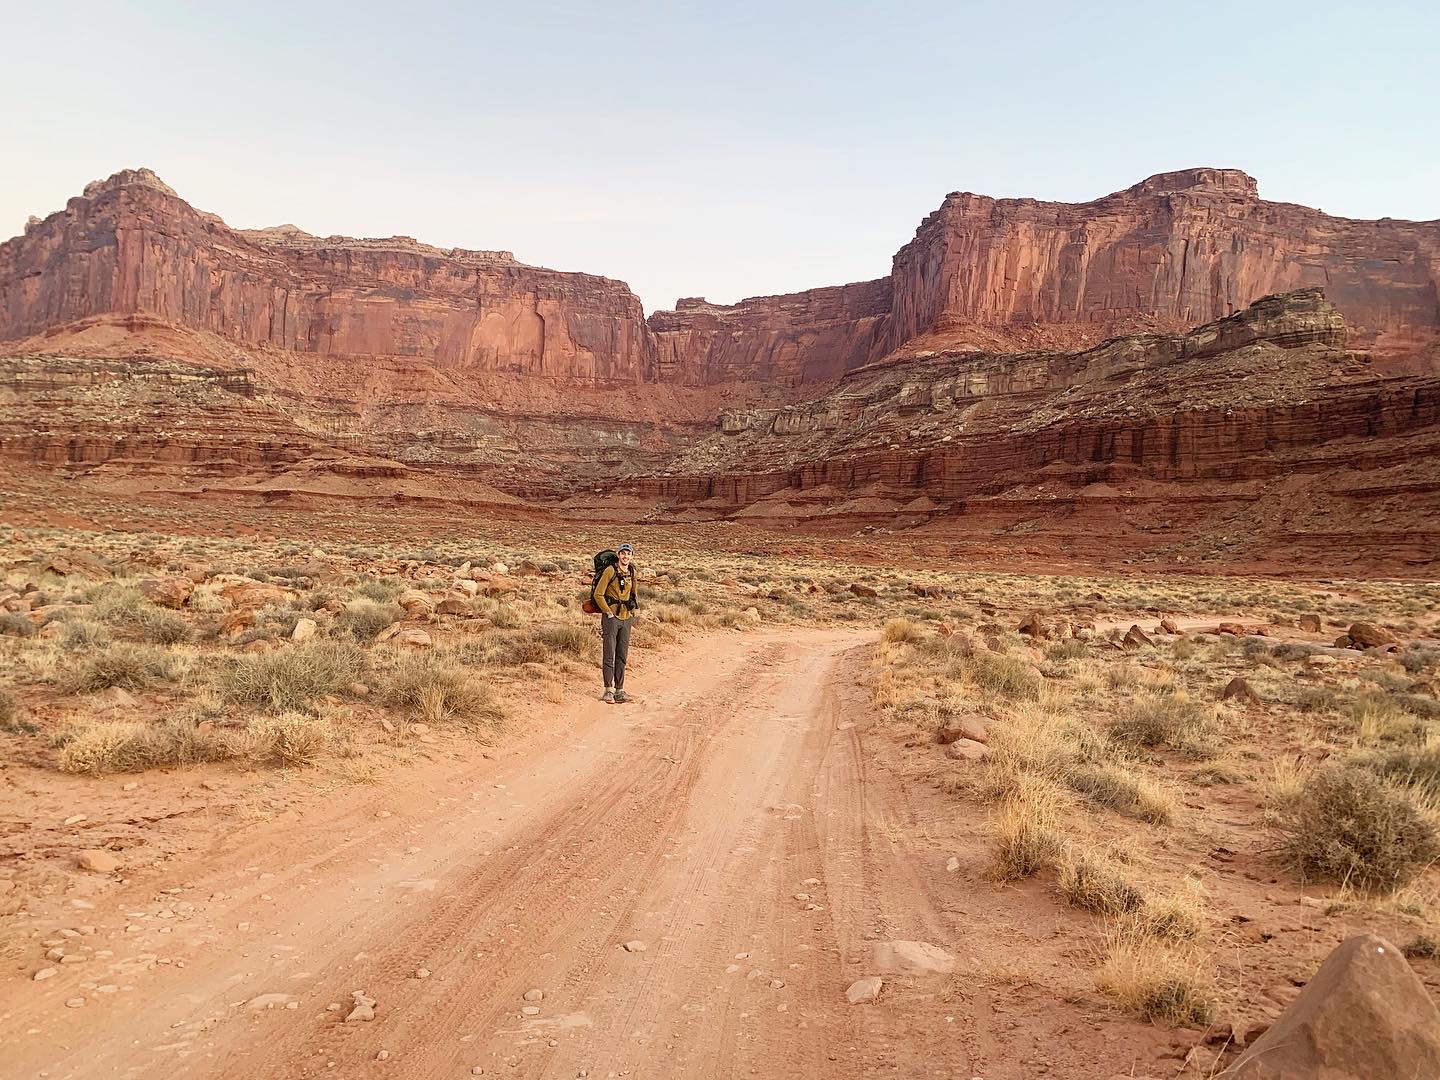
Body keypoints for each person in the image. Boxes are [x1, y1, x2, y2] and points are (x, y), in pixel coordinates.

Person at [593, 542, 638, 703]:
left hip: (626, 618)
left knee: (622, 655)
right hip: (612, 619)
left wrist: (634, 610)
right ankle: (608, 690)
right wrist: (608, 612)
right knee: (609, 654)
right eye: (623, 553)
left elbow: (634, 594)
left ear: (631, 556)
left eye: (628, 553)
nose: (626, 556)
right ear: (618, 555)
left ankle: (620, 690)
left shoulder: (632, 571)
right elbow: (599, 594)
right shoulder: (610, 571)